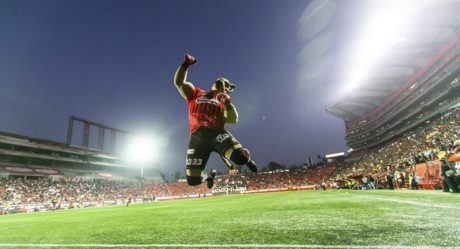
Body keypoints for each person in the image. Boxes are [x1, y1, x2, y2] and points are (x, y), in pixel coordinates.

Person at [173, 54, 258, 189]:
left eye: (225, 84)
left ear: (227, 89)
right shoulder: (196, 93)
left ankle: (248, 159)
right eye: (220, 81)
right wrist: (185, 65)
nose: (221, 82)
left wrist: (229, 105)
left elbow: (233, 120)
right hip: (197, 137)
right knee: (192, 180)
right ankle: (209, 177)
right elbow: (179, 83)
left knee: (240, 158)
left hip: (217, 134)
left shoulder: (224, 102)